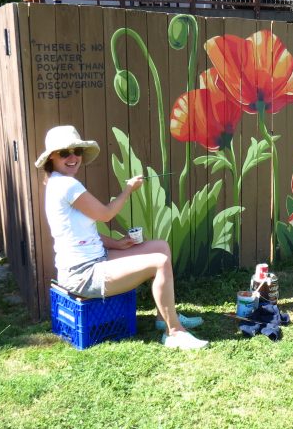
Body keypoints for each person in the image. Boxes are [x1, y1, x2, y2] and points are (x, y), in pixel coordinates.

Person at [35, 125, 207, 350]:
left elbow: (83, 232)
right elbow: (105, 214)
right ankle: (174, 332)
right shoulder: (66, 185)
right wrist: (128, 190)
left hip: (96, 259)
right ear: (52, 158)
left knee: (160, 247)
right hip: (83, 274)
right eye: (65, 153)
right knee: (160, 262)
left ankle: (163, 317)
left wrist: (116, 243)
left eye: (77, 151)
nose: (73, 157)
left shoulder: (59, 183)